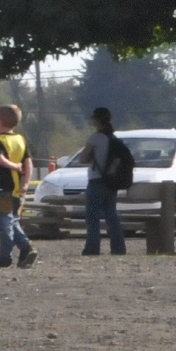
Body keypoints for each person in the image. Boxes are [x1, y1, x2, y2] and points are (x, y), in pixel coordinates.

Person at [0, 105, 37, 269]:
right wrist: (26, 182)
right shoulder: (20, 139)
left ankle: (5, 257)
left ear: (0, 122)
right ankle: (26, 249)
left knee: (4, 223)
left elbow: (0, 160)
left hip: (3, 189)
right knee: (13, 220)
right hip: (17, 190)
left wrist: (14, 166)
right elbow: (29, 163)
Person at [72, 106, 127, 255]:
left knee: (92, 217)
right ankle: (118, 248)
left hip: (96, 180)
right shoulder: (113, 138)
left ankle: (92, 248)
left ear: (97, 119)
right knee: (112, 216)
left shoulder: (95, 138)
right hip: (111, 182)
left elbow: (82, 159)